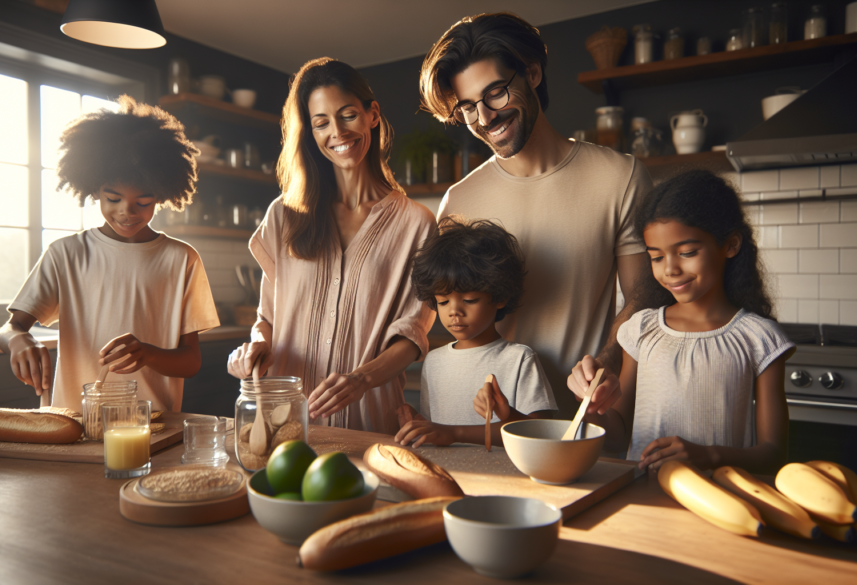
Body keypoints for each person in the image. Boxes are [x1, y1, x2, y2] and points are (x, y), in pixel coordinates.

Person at [419, 12, 652, 419]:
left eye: (495, 93)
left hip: (586, 420)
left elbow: (643, 295)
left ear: (532, 72)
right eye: (469, 108)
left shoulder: (620, 176)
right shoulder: (459, 201)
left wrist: (610, 358)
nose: (486, 118)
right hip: (489, 427)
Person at [227, 58, 436, 434]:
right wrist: (253, 347)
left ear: (372, 115)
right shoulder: (285, 215)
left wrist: (361, 379)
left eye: (348, 115)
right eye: (321, 122)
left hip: (369, 423)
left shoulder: (416, 224)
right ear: (310, 133)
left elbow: (412, 335)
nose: (337, 132)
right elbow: (268, 320)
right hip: (284, 422)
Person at [0, 96, 220, 412]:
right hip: (74, 420)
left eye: (143, 202)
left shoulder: (182, 259)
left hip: (151, 426)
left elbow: (191, 361)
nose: (126, 211)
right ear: (93, 190)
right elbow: (10, 328)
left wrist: (149, 354)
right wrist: (19, 341)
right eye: (112, 198)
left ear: (161, 196)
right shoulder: (66, 255)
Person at [573, 170, 793, 473]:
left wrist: (709, 456)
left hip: (725, 503)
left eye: (687, 252)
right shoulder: (640, 330)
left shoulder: (760, 339)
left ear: (730, 245)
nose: (670, 269)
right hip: (646, 501)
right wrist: (590, 406)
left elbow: (774, 454)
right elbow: (617, 436)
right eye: (656, 257)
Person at [394, 217, 557, 448]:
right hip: (447, 476)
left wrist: (505, 415)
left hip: (503, 480)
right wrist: (418, 423)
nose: (454, 312)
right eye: (442, 302)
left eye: (469, 300)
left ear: (500, 297)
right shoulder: (434, 361)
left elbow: (542, 434)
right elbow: (437, 430)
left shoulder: (519, 359)